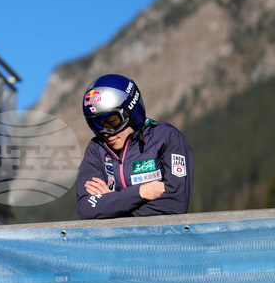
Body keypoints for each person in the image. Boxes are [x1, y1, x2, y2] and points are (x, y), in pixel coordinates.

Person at [75, 74, 193, 219]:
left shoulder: (166, 137)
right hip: (118, 242)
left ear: (131, 111)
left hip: (164, 239)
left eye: (112, 122)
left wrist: (111, 202)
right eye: (96, 125)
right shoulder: (96, 149)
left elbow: (176, 204)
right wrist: (141, 192)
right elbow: (86, 209)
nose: (105, 132)